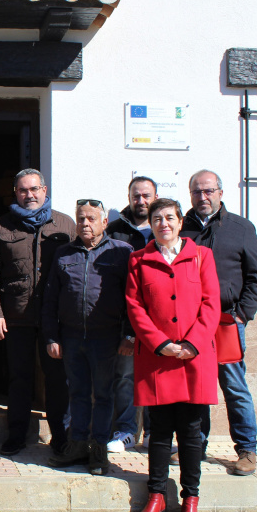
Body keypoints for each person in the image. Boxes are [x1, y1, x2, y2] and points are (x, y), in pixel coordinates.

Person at [126, 198, 219, 512]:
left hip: (194, 357)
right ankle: (157, 495)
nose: (163, 223)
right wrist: (161, 343)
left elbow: (211, 303)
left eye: (169, 218)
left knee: (191, 432)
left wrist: (191, 344)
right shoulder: (138, 260)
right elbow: (135, 307)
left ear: (180, 222)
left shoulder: (201, 256)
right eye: (156, 219)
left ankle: (190, 498)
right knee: (160, 431)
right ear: (150, 224)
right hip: (157, 358)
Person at [0, 169, 76, 456]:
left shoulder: (65, 224)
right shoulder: (1, 226)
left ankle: (61, 436)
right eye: (23, 190)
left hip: (54, 318)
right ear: (16, 193)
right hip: (16, 316)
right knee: (19, 378)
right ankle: (17, 434)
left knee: (57, 379)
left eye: (34, 189)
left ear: (44, 190)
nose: (29, 195)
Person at [180, 169, 257, 476]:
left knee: (234, 386)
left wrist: (242, 314)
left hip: (227, 321)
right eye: (196, 191)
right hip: (192, 324)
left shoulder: (241, 227)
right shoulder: (181, 229)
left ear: (220, 192)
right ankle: (196, 445)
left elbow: (256, 277)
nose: (202, 197)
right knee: (197, 386)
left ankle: (247, 450)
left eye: (208, 191)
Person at [42, 199, 132, 475]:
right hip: (71, 337)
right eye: (81, 218)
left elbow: (133, 298)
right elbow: (51, 297)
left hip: (106, 337)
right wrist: (51, 336)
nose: (85, 223)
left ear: (104, 222)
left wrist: (129, 335)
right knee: (77, 392)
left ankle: (99, 448)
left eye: (91, 219)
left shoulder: (121, 252)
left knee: (103, 395)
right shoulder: (64, 253)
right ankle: (78, 444)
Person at [105, 176, 158, 452]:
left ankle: (153, 433)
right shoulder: (115, 231)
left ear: (155, 197)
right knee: (125, 376)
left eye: (146, 195)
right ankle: (126, 430)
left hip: (159, 321)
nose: (141, 201)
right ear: (129, 198)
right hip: (124, 317)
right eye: (136, 196)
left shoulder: (166, 228)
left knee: (154, 376)